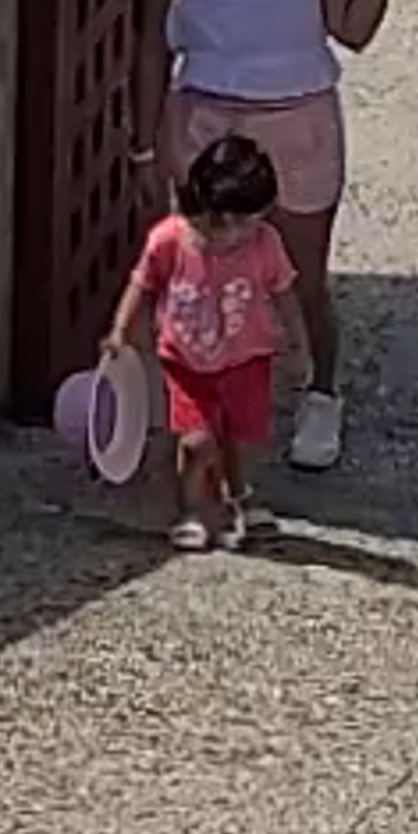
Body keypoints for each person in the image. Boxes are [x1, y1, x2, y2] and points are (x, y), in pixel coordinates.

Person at [138, 0, 398, 472]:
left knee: (301, 275)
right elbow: (150, 46)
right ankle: (206, 401)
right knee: (206, 269)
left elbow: (355, 28)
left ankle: (321, 392)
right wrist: (145, 140)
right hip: (205, 122)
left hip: (299, 120)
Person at [108, 129, 304, 559]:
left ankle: (240, 496)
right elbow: (142, 284)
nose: (233, 233)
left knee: (241, 437)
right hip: (186, 360)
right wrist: (121, 332)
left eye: (246, 220)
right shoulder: (170, 239)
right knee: (197, 442)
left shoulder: (265, 244)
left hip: (248, 358)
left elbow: (284, 292)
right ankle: (191, 509)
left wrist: (297, 344)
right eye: (222, 220)